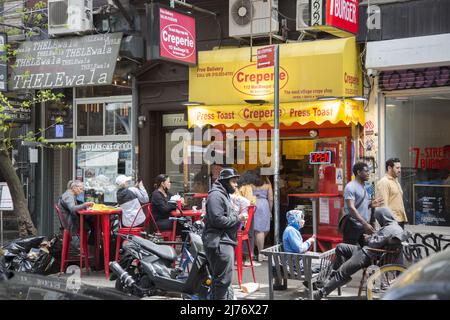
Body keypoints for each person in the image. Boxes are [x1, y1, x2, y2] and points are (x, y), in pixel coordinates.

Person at [313, 207, 409, 300]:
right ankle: (338, 277)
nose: (379, 221)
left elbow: (372, 243)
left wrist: (368, 238)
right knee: (341, 248)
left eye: (379, 218)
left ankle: (322, 292)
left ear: (383, 217)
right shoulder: (395, 227)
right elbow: (379, 240)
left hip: (367, 255)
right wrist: (372, 237)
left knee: (342, 271)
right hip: (367, 251)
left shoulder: (389, 229)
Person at [202, 168, 247, 300]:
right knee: (222, 281)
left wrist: (236, 217)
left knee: (223, 281)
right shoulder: (216, 195)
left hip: (224, 241)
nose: (236, 185)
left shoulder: (223, 194)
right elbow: (217, 220)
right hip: (219, 242)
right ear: (225, 181)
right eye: (233, 181)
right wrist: (237, 218)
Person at [342, 162, 384, 247]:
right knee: (350, 252)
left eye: (369, 171)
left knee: (365, 251)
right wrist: (365, 224)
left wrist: (371, 204)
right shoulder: (350, 187)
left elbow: (362, 205)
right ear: (358, 172)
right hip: (352, 226)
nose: (368, 173)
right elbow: (351, 207)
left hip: (363, 226)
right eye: (366, 171)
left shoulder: (365, 187)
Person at [58, 180, 94, 245]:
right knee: (94, 224)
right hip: (71, 224)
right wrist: (85, 205)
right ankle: (91, 247)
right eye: (81, 189)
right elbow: (72, 208)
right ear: (74, 188)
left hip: (71, 221)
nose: (82, 191)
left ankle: (91, 246)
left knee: (93, 222)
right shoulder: (68, 196)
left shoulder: (70, 195)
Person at [376, 158, 408, 229]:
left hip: (399, 220)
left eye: (400, 168)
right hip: (392, 222)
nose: (399, 170)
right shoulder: (384, 182)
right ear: (389, 168)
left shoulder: (395, 181)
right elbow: (383, 205)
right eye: (397, 168)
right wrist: (389, 223)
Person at [252, 169, 274, 262]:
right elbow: (271, 198)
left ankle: (252, 253)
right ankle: (261, 254)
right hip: (263, 205)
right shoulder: (267, 184)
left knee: (253, 230)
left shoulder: (251, 183)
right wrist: (270, 210)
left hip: (252, 203)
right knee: (261, 230)